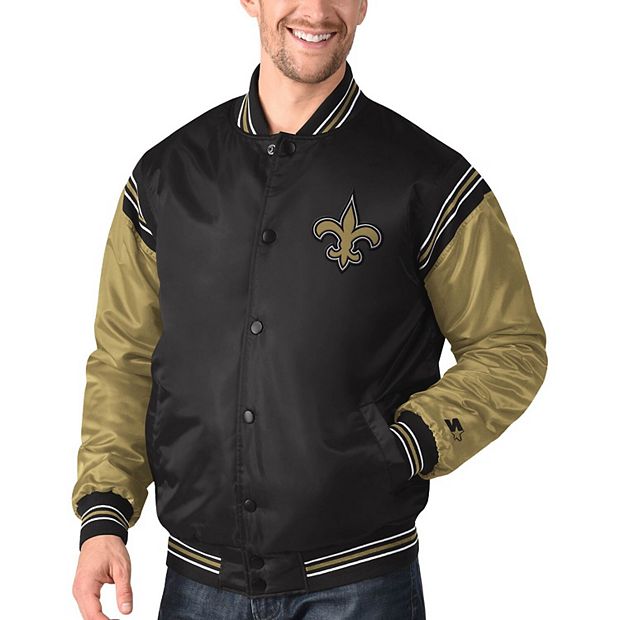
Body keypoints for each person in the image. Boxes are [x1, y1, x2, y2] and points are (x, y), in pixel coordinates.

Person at [71, 1, 548, 618]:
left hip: (360, 583)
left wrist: (411, 442)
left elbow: (509, 347)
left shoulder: (429, 181)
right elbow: (125, 357)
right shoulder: (167, 176)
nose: (317, 10)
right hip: (197, 584)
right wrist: (103, 517)